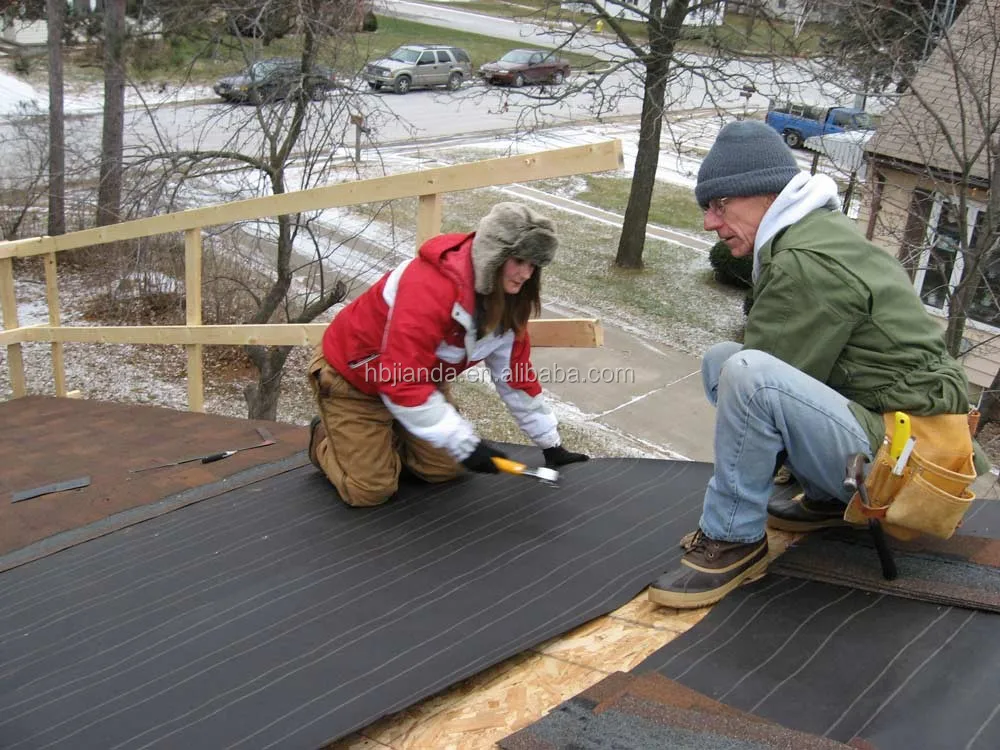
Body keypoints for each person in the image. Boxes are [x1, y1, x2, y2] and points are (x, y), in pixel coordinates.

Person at [649, 120, 984, 609]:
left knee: (746, 373)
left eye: (720, 205)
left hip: (913, 475)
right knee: (725, 361)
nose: (709, 223)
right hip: (917, 445)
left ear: (765, 196)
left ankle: (734, 537)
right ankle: (828, 497)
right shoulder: (819, 233)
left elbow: (761, 389)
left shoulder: (803, 262)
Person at [306, 202, 589, 507]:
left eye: (533, 265)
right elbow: (400, 380)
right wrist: (463, 443)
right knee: (370, 490)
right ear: (493, 254)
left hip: (421, 381)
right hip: (354, 381)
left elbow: (515, 379)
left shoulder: (508, 303)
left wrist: (551, 445)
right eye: (518, 260)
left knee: (445, 469)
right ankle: (324, 438)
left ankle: (387, 436)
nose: (524, 274)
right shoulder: (431, 286)